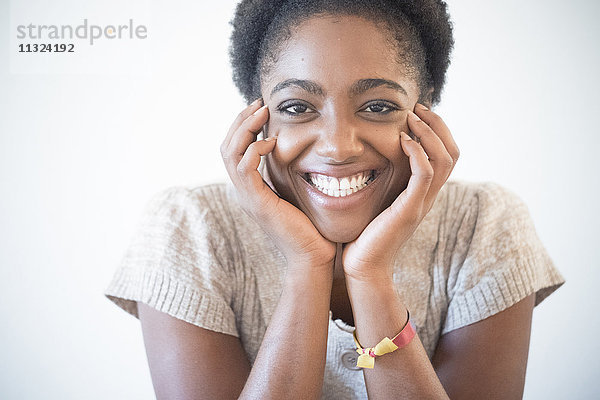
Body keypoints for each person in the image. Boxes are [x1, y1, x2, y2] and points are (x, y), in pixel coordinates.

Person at [104, 0, 565, 398]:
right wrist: (307, 266)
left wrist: (370, 275)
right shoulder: (188, 227)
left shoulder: (485, 222)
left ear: (424, 111)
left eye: (379, 106)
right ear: (256, 116)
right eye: (297, 107)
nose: (337, 145)